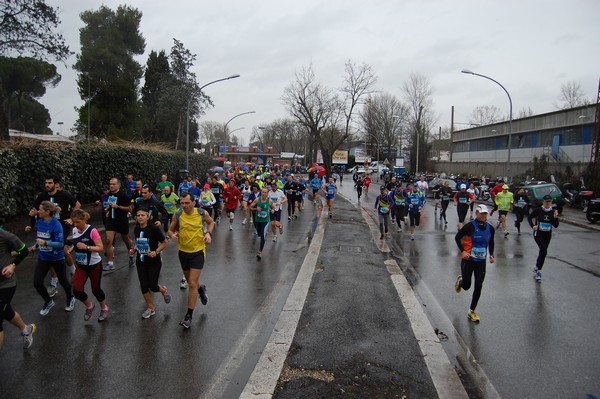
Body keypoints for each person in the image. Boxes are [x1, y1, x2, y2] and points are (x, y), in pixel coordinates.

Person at [167, 192, 214, 329]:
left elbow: (211, 223)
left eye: (187, 203)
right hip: (183, 252)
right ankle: (202, 290)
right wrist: (173, 235)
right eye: (182, 203)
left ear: (194, 202)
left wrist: (208, 234)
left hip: (198, 252)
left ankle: (189, 316)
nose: (184, 206)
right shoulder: (178, 214)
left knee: (192, 283)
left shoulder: (201, 213)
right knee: (191, 282)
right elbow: (170, 231)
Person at [27, 175, 81, 294]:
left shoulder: (64, 195)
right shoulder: (42, 196)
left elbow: (77, 205)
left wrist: (72, 218)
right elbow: (35, 209)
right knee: (57, 251)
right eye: (46, 183)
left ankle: (56, 279)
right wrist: (33, 213)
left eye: (50, 183)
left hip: (61, 226)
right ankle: (69, 272)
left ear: (56, 184)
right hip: (48, 227)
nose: (47, 185)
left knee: (56, 248)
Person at [30, 201, 75, 316]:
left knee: (63, 281)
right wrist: (35, 246)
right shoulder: (39, 222)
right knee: (37, 283)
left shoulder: (56, 225)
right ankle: (48, 301)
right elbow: (40, 236)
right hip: (43, 257)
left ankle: (70, 298)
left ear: (47, 212)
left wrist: (45, 243)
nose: (38, 211)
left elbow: (60, 244)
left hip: (56, 258)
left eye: (40, 209)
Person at [454, 204, 496, 323]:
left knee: (478, 286)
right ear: (476, 213)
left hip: (481, 262)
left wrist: (491, 254)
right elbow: (457, 237)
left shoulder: (490, 228)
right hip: (468, 261)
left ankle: (471, 311)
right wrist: (463, 251)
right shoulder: (469, 226)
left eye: (485, 214)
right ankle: (460, 281)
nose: (483, 216)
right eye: (481, 213)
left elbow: (491, 242)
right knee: (466, 286)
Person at [69, 209, 109, 322]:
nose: (76, 225)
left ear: (83, 219)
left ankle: (104, 308)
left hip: (94, 265)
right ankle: (90, 306)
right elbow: (76, 243)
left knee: (96, 290)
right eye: (74, 222)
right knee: (77, 290)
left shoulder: (92, 231)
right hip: (81, 265)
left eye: (78, 222)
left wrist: (87, 247)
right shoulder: (74, 230)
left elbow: (100, 248)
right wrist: (72, 249)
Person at [131, 207, 170, 319]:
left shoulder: (154, 229)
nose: (140, 217)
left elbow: (164, 242)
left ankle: (163, 290)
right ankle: (150, 307)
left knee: (152, 286)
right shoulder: (137, 229)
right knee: (143, 285)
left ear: (148, 217)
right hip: (141, 261)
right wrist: (134, 249)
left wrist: (156, 252)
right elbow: (138, 242)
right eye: (138, 215)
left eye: (143, 215)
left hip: (153, 261)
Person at [0, 226, 35, 349]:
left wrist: (12, 266)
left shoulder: (5, 235)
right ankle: (26, 329)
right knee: (6, 311)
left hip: (5, 284)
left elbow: (24, 250)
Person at [103, 178, 135, 271]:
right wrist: (108, 210)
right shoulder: (109, 194)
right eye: (110, 184)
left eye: (114, 184)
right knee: (108, 241)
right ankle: (110, 263)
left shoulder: (123, 195)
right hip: (111, 220)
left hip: (121, 220)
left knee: (126, 240)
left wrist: (118, 207)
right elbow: (110, 205)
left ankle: (131, 253)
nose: (111, 186)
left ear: (118, 185)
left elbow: (130, 209)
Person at [527, 195, 559, 282]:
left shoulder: (553, 211)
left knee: (543, 253)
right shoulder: (538, 210)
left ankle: (537, 267)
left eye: (549, 202)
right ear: (543, 202)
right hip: (538, 234)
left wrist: (556, 218)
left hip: (547, 234)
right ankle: (539, 272)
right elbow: (529, 217)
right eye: (546, 202)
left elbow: (555, 225)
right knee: (544, 250)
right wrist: (533, 226)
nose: (548, 203)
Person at [250, 188, 275, 259]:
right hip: (258, 220)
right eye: (263, 192)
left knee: (262, 237)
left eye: (265, 192)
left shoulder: (269, 201)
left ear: (267, 193)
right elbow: (251, 208)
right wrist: (256, 209)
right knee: (259, 234)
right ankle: (263, 233)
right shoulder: (257, 200)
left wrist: (272, 210)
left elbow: (273, 207)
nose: (264, 193)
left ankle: (260, 251)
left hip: (266, 220)